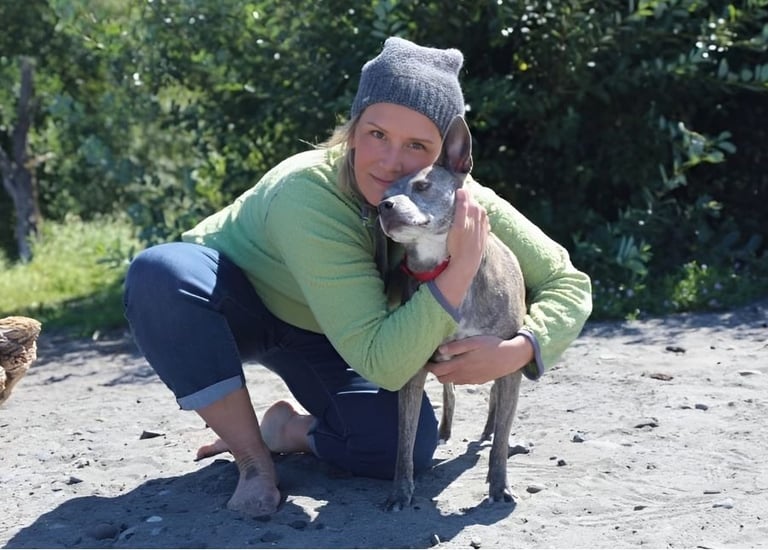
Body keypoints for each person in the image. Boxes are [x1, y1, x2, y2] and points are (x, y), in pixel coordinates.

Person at [123, 36, 592, 518]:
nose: (390, 161)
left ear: (446, 157)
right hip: (235, 306)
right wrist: (462, 267)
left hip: (331, 332)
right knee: (161, 275)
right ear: (352, 130)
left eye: (417, 145)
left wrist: (520, 350)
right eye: (376, 134)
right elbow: (387, 364)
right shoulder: (306, 191)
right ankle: (252, 459)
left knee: (398, 449)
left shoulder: (450, 195)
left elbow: (567, 281)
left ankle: (286, 430)